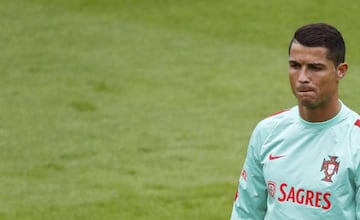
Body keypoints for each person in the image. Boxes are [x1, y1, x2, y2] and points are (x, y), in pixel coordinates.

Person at [230, 23, 360, 219]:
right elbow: (246, 213)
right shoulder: (268, 131)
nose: (302, 78)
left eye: (315, 68)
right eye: (295, 66)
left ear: (340, 70)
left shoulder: (355, 139)